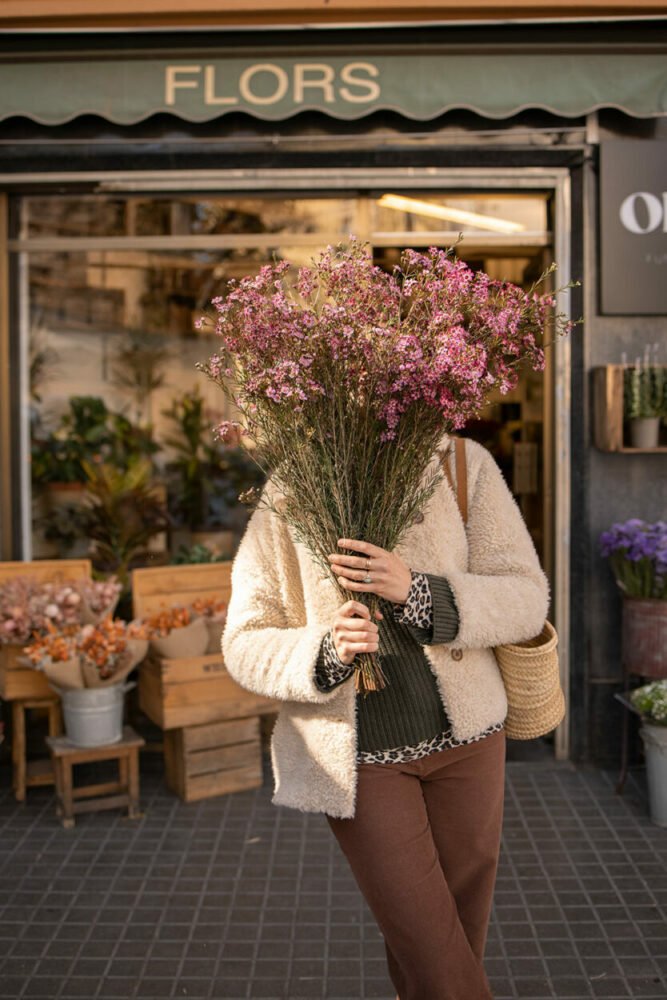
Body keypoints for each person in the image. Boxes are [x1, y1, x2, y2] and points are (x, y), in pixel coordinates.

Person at [222, 432, 550, 1000]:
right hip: (362, 762)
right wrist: (325, 653)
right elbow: (244, 639)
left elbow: (526, 596)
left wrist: (419, 593)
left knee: (445, 953)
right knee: (434, 952)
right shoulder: (294, 485)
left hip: (470, 745)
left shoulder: (460, 464)